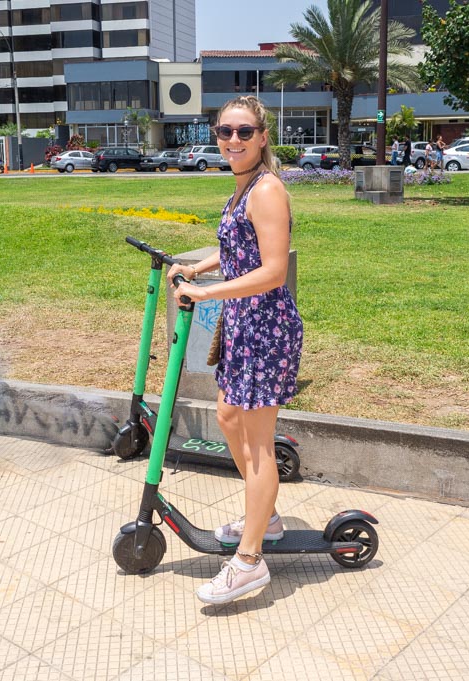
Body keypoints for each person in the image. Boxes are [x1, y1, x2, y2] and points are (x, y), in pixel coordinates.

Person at [168, 95, 303, 605]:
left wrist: (206, 293)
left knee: (259, 442)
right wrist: (197, 268)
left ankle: (249, 562)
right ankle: (266, 518)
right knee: (228, 418)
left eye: (245, 132)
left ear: (263, 137)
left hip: (266, 329)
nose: (234, 140)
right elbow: (236, 250)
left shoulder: (267, 190)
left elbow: (273, 270)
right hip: (244, 326)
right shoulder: (241, 186)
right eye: (226, 131)